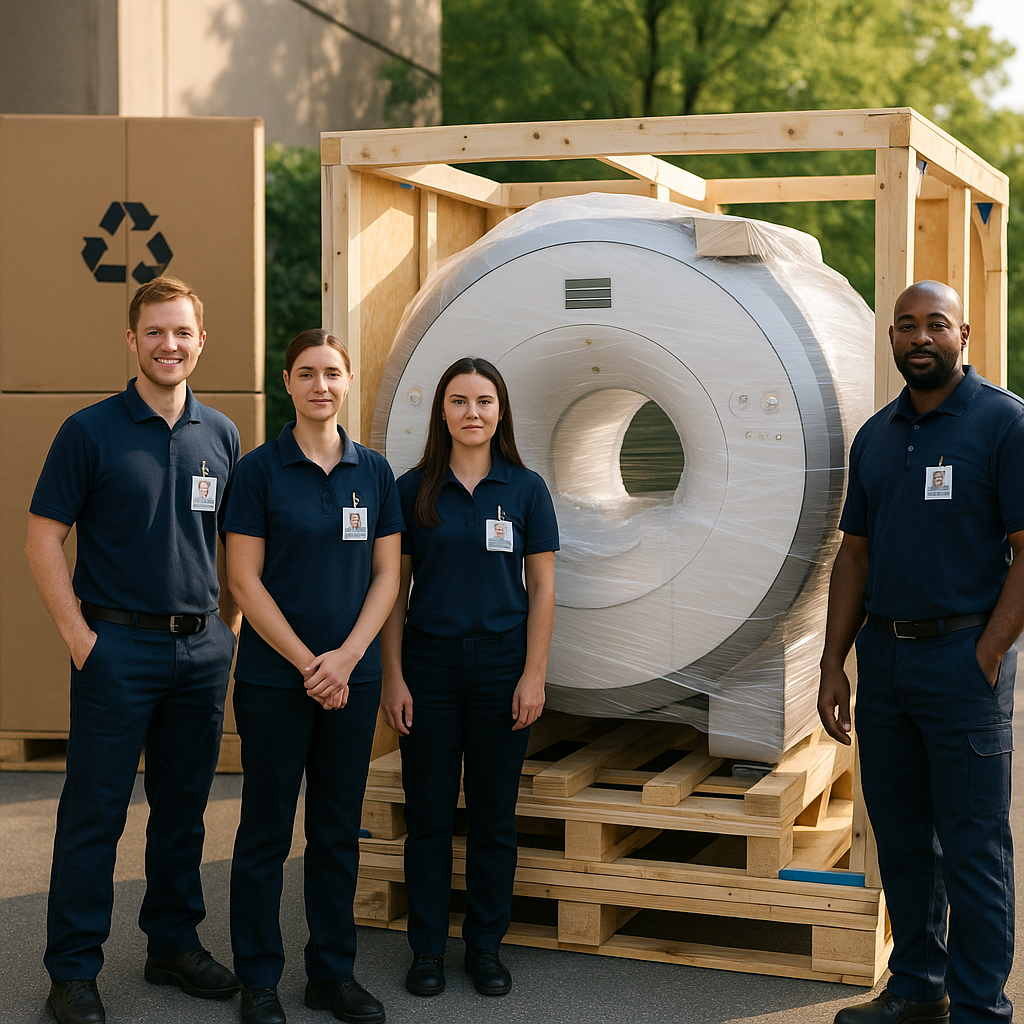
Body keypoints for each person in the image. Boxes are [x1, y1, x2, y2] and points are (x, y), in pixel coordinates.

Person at [25, 276, 241, 1024]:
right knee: (96, 813)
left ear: (201, 341)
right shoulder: (90, 431)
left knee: (183, 811)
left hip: (201, 650)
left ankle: (173, 945)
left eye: (182, 332)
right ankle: (73, 971)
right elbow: (42, 537)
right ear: (132, 340)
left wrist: (229, 629)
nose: (169, 345)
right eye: (155, 332)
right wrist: (80, 638)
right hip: (115, 647)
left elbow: (235, 548)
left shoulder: (221, 434)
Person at [817, 281, 1024, 1024]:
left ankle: (979, 1009)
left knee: (973, 849)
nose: (919, 337)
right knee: (901, 837)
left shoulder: (1003, 424)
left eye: (935, 323)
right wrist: (832, 660)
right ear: (894, 340)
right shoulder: (877, 435)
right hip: (886, 662)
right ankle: (916, 988)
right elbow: (855, 555)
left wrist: (989, 652)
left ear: (963, 333)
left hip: (964, 660)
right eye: (906, 326)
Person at [223, 329, 403, 1024]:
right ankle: (259, 980)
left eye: (331, 373)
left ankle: (331, 973)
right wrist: (307, 662)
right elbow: (242, 579)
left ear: (348, 382)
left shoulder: (375, 473)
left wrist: (349, 658)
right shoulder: (260, 471)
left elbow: (388, 576)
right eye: (306, 374)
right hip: (275, 683)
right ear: (288, 384)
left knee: (333, 832)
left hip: (349, 685)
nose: (320, 386)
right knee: (265, 831)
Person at [381, 357, 558, 999]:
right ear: (442, 412)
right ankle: (427, 949)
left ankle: (485, 946)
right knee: (428, 815)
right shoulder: (411, 490)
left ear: (500, 411)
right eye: (459, 401)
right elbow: (392, 594)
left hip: (502, 665)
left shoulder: (526, 489)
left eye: (484, 401)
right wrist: (393, 678)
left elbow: (541, 588)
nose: (472, 412)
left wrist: (533, 675)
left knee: (492, 815)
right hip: (427, 664)